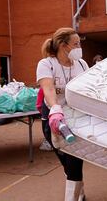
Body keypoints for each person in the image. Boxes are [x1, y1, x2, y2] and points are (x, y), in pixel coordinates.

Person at [36, 27, 89, 201]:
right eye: (76, 44)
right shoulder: (47, 64)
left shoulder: (82, 64)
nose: (79, 47)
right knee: (67, 163)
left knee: (75, 159)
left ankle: (74, 198)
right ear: (63, 45)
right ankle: (79, 192)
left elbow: (88, 89)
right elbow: (48, 88)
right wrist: (55, 108)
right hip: (53, 117)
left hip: (76, 116)